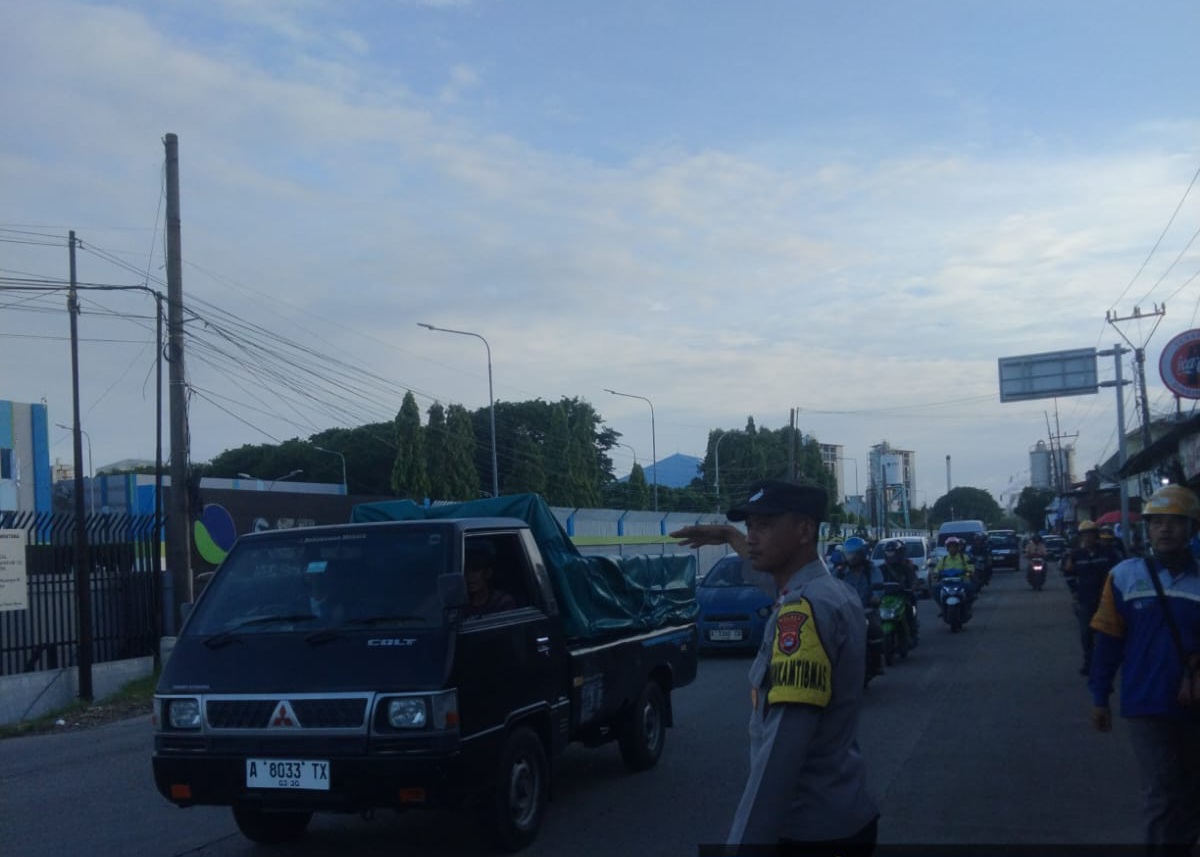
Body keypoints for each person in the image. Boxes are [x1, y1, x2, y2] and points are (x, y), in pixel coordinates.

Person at [670, 480, 879, 855]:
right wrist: (729, 536)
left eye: (765, 525)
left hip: (809, 830)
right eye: (749, 526)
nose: (752, 537)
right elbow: (772, 580)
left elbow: (781, 754)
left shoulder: (803, 612)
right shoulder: (830, 592)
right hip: (843, 811)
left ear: (805, 530)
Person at [1089, 484, 1200, 854]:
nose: (1165, 529)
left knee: (1192, 794)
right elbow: (1108, 642)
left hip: (1194, 703)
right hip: (1146, 704)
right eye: (1157, 522)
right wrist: (1099, 696)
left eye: (1175, 522)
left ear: (1192, 528)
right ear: (1147, 530)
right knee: (1163, 792)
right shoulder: (1124, 576)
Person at [1063, 520, 1122, 676]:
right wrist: (1074, 591)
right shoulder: (1076, 555)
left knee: (1108, 632)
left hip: (1107, 600)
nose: (1087, 538)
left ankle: (1108, 662)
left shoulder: (1108, 553)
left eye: (1090, 534)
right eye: (1084, 535)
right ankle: (1089, 662)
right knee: (1086, 634)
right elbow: (1068, 573)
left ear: (1096, 535)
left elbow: (1118, 573)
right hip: (1086, 600)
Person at [837, 536, 885, 677]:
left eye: (855, 554)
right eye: (849, 554)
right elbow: (829, 586)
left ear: (862, 554)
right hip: (845, 611)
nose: (851, 558)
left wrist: (876, 597)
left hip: (866, 610)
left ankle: (877, 662)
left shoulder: (872, 570)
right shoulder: (840, 572)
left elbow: (878, 586)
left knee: (875, 630)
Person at [879, 539, 920, 644]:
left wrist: (912, 587)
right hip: (886, 597)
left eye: (892, 552)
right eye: (888, 552)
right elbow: (876, 581)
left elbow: (914, 579)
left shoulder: (907, 566)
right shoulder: (882, 568)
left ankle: (913, 633)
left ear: (899, 553)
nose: (891, 555)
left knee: (909, 608)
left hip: (903, 595)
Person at [463, 541, 516, 618]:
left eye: (475, 570)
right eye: (465, 571)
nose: (469, 576)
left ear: (488, 573)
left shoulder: (502, 602)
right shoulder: (459, 604)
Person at [932, 537, 975, 616]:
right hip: (946, 583)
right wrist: (936, 574)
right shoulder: (944, 559)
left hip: (961, 582)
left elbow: (971, 568)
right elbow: (937, 569)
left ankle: (967, 608)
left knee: (970, 588)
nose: (952, 549)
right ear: (947, 548)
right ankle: (943, 608)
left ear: (958, 547)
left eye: (954, 546)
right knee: (935, 588)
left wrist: (968, 573)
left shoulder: (964, 557)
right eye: (950, 547)